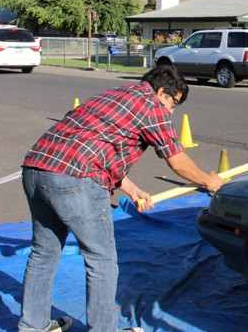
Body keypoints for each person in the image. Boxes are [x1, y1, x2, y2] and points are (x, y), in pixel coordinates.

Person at [18, 65, 223, 332]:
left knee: (43, 253)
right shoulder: (152, 105)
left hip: (36, 170)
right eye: (174, 103)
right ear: (162, 92)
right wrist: (210, 181)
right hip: (76, 179)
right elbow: (177, 160)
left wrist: (133, 190)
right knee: (101, 259)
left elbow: (92, 147)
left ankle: (32, 326)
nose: (172, 111)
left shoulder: (112, 96)